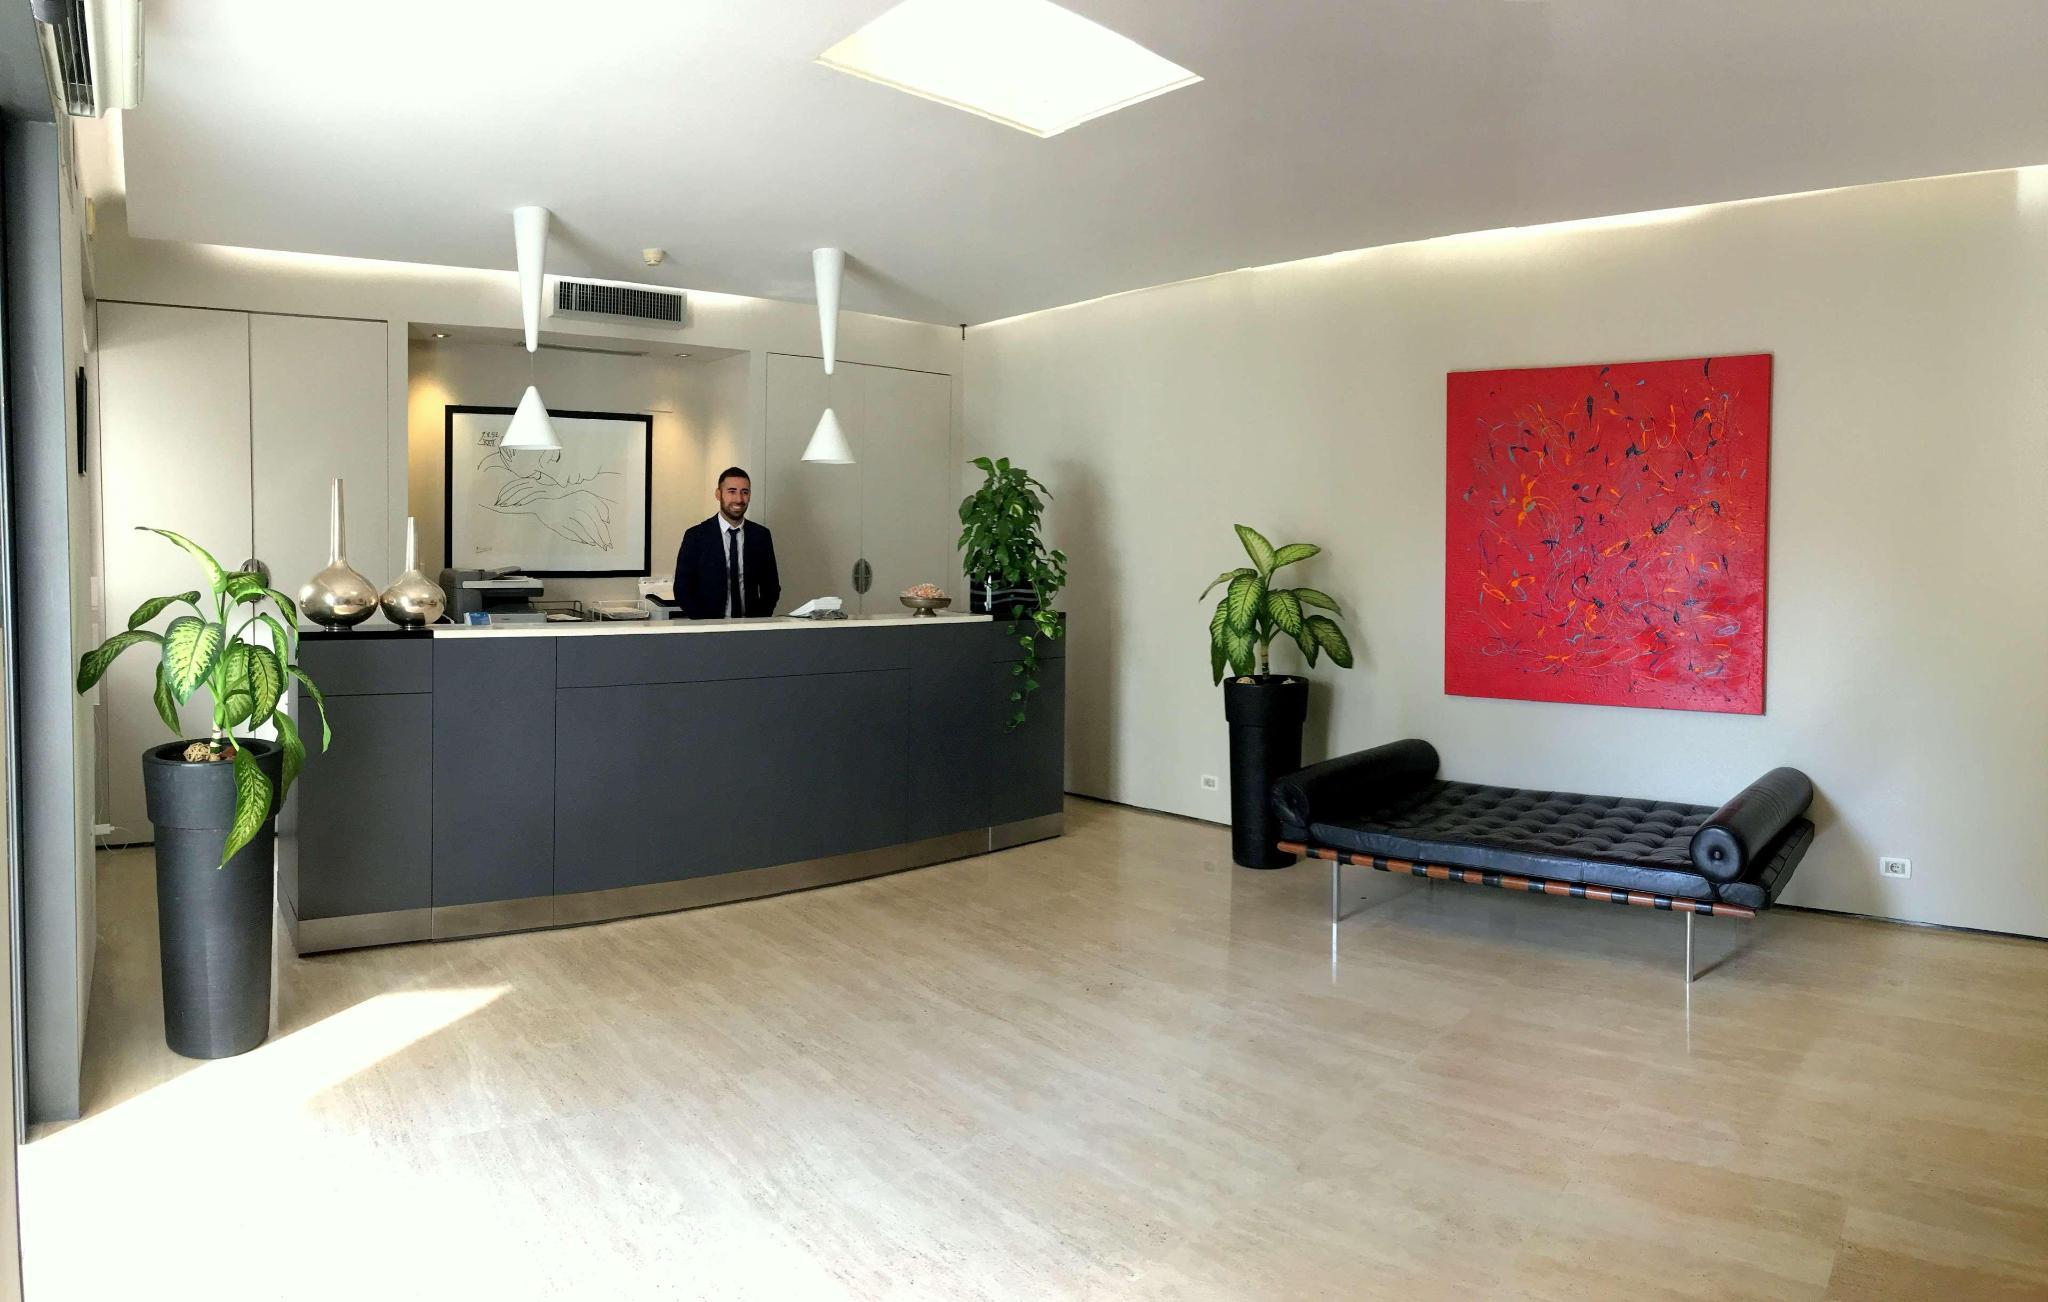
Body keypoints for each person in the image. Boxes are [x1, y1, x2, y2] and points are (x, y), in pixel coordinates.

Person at [674, 467, 780, 619]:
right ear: (718, 494)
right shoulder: (696, 536)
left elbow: (771, 588)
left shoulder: (761, 536)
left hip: (751, 626)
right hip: (708, 627)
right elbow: (682, 589)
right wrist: (704, 623)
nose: (739, 499)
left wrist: (758, 620)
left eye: (744, 492)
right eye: (732, 491)